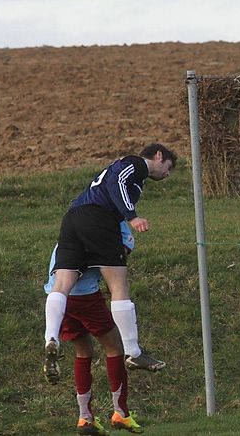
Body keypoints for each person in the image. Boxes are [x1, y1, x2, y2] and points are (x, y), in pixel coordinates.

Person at [43, 143, 176, 383]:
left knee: (62, 284)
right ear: (158, 156)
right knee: (119, 288)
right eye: (168, 167)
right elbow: (118, 183)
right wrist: (132, 216)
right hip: (98, 219)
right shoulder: (136, 164)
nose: (167, 174)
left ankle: (51, 338)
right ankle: (134, 352)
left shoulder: (127, 176)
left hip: (73, 218)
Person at [45, 222, 144, 435]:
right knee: (115, 347)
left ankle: (85, 418)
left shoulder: (73, 224)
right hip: (85, 295)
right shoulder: (111, 224)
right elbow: (116, 257)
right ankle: (121, 413)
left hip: (57, 295)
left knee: (83, 352)